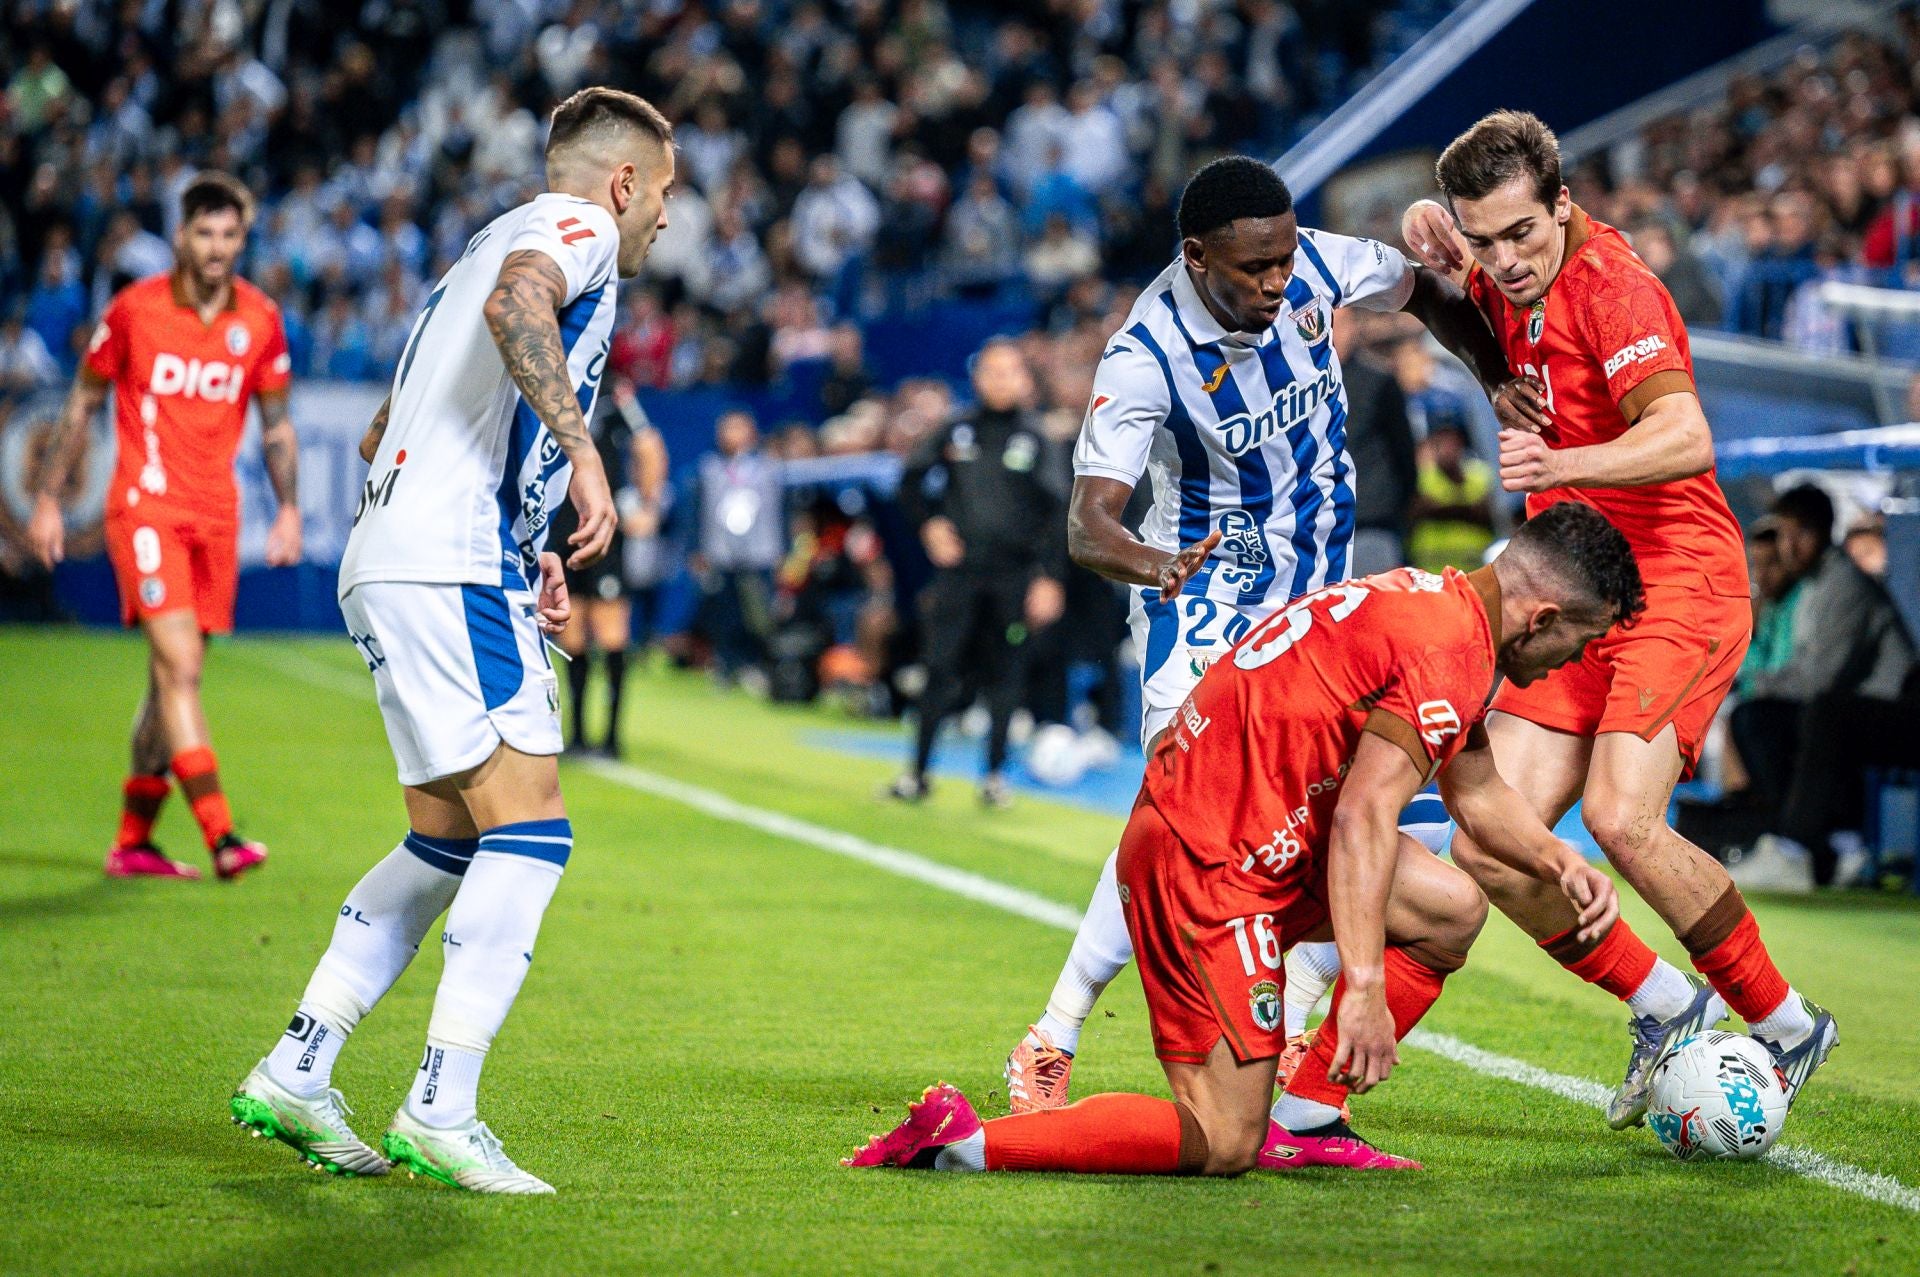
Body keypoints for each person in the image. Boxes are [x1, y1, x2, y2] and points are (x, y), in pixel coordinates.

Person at [848, 505, 1635, 1176]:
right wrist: (1361, 987)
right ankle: (971, 1142)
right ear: (1544, 618)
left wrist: (1559, 858)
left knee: (1452, 906)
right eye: (1585, 640)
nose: (1577, 660)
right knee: (1224, 1138)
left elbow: (1479, 790)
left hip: (1250, 831)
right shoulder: (1447, 650)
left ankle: (1310, 1118)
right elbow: (1364, 814)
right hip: (1208, 863)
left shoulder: (1437, 604)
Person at [1002, 154, 1543, 1123]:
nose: (1278, 282)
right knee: (1181, 822)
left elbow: (1422, 288)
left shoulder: (1316, 264)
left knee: (1341, 812)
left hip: (1324, 609)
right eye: (1253, 269)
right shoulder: (1145, 352)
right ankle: (1056, 1028)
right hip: (1204, 605)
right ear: (1197, 255)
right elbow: (1090, 524)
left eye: (1285, 262)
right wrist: (1156, 563)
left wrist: (1497, 378)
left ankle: (1294, 1020)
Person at [227, 87, 674, 1194]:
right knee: (533, 830)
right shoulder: (569, 230)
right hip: (444, 561)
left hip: (397, 553)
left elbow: (391, 423)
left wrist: (530, 544)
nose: (666, 218)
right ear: (621, 183)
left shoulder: (471, 249)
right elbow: (521, 311)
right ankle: (443, 1101)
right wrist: (585, 454)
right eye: (663, 194)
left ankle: (298, 1062)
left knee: (449, 838)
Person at [1400, 110, 1836, 1127]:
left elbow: (1685, 433)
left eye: (1522, 234)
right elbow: (1440, 294)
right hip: (1579, 593)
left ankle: (1782, 1022)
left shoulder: (1613, 286)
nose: (1505, 260)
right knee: (1486, 837)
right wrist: (1431, 233)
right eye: (1484, 240)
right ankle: (1666, 1005)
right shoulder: (1499, 266)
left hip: (1680, 579)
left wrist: (1565, 466)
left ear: (1563, 203)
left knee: (1619, 818)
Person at [29, 172, 300, 881]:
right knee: (180, 669)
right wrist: (51, 499)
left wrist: (291, 509)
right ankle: (220, 834)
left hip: (216, 518)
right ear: (180, 236)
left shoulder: (261, 319)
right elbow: (81, 406)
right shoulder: (134, 311)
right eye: (203, 232)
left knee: (168, 680)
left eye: (229, 234)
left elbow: (277, 428)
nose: (215, 247)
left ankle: (133, 842)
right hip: (145, 509)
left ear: (243, 240)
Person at [888, 339, 1068, 807]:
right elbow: (909, 481)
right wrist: (930, 524)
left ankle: (993, 777)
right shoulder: (957, 431)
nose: (999, 380)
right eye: (991, 371)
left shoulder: (1037, 439)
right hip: (960, 573)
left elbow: (1059, 511)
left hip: (1013, 576)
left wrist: (1050, 578)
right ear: (977, 377)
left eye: (1009, 372)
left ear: (1024, 380)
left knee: (1006, 673)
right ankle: (918, 774)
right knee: (939, 667)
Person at [1722, 484, 1913, 891]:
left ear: (1821, 532)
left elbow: (1817, 680)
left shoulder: (1843, 585)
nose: (1787, 547)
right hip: (1858, 709)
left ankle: (1796, 848)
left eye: (1797, 535)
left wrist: (1753, 682)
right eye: (1783, 535)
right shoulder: (1810, 586)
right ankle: (1812, 842)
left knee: (1819, 715)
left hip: (1901, 708)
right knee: (1759, 717)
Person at [546, 377, 655, 758]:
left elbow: (648, 444)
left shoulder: (610, 393)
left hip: (600, 525)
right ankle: (576, 736)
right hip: (559, 525)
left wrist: (646, 503)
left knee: (610, 632)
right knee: (571, 633)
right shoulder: (544, 384)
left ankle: (610, 738)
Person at [693, 410, 784, 686]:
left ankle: (757, 666)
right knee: (724, 613)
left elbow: (783, 513)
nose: (730, 435)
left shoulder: (769, 469)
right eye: (726, 429)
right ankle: (726, 665)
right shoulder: (709, 469)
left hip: (759, 554)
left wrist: (782, 550)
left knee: (758, 615)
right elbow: (697, 513)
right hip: (721, 554)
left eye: (737, 428)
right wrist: (697, 549)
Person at [1406, 416, 1495, 576]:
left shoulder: (1480, 475)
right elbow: (1417, 510)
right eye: (1441, 442)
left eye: (1452, 442)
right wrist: (1464, 508)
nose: (1447, 448)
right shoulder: (1422, 477)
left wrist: (1443, 508)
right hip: (1430, 573)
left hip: (1473, 570)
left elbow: (1488, 513)